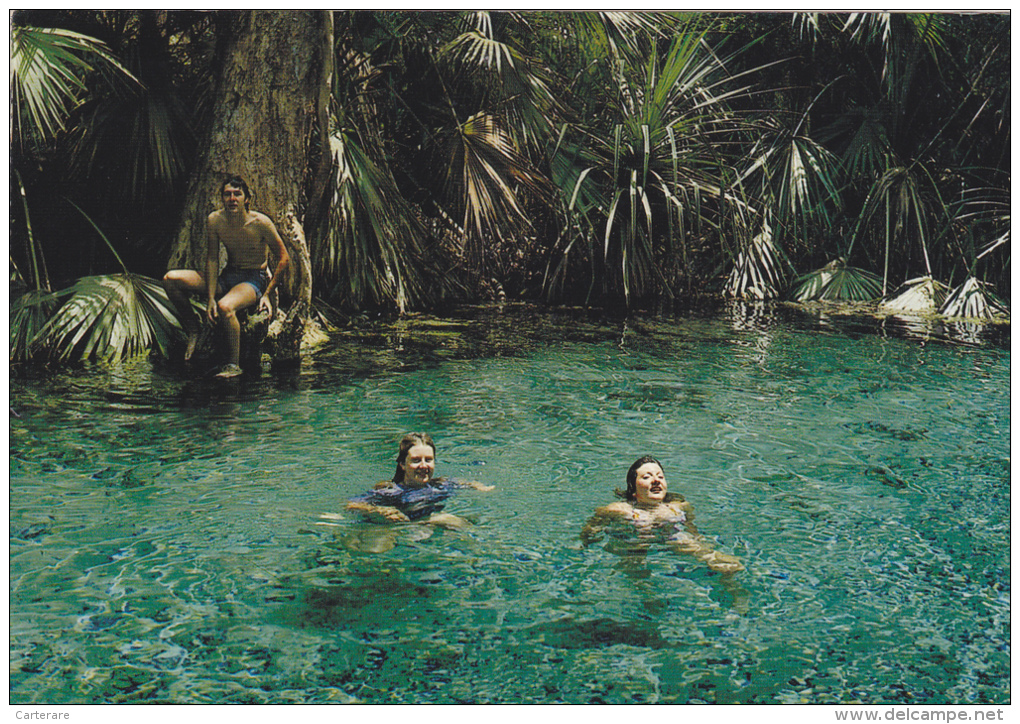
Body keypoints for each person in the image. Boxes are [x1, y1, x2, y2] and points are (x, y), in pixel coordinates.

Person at [163, 175, 290, 378]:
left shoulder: (261, 223)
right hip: (228, 274)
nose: (232, 199)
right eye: (227, 194)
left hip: (253, 278)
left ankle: (233, 365)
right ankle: (193, 329)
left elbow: (284, 258)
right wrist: (211, 297)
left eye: (237, 194)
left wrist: (267, 293)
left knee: (225, 307)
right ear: (222, 198)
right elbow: (212, 259)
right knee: (171, 279)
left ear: (246, 199)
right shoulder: (215, 220)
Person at [581, 456, 744, 575]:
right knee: (636, 572)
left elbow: (693, 531)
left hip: (671, 538)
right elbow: (590, 531)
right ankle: (644, 594)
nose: (656, 481)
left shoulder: (679, 507)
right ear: (633, 488)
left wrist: (705, 547)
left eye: (660, 477)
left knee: (727, 564)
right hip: (634, 545)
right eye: (647, 477)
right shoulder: (617, 509)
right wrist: (586, 544)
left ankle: (732, 590)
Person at [343, 433, 493, 549]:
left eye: (428, 460)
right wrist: (380, 511)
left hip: (423, 527)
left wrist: (478, 486)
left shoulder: (439, 486)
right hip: (395, 528)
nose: (423, 466)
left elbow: (462, 482)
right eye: (416, 460)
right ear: (402, 464)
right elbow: (351, 504)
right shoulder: (392, 491)